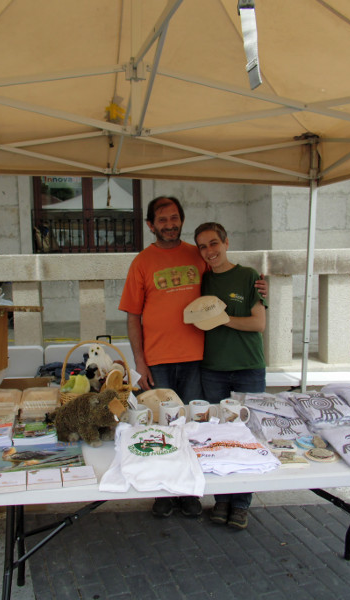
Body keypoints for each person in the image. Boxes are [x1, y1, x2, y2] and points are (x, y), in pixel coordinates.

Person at [119, 197, 267, 520]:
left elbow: (226, 277)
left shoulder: (197, 256)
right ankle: (162, 492)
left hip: (197, 359)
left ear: (181, 221)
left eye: (174, 218)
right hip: (157, 362)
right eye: (162, 219)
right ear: (150, 225)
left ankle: (188, 493)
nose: (169, 224)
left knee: (192, 429)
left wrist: (258, 287)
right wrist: (139, 363)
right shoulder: (141, 263)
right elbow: (132, 318)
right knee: (160, 428)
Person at [194, 221, 266, 531]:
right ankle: (221, 499)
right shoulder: (203, 281)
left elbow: (258, 324)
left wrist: (222, 319)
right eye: (202, 246)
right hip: (213, 369)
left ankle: (241, 503)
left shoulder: (249, 276)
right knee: (218, 435)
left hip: (248, 366)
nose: (209, 251)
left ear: (226, 242)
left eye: (213, 243)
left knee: (246, 436)